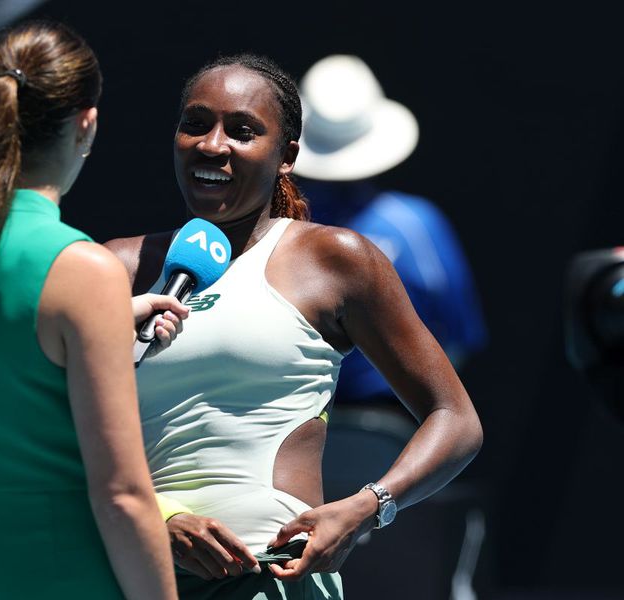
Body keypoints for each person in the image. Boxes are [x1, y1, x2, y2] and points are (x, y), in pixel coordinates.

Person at [105, 53, 483, 599]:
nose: (213, 144)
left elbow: (456, 418)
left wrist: (366, 507)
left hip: (274, 577)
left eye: (242, 131)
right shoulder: (112, 265)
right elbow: (44, 430)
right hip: (125, 576)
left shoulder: (336, 258)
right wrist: (159, 518)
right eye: (195, 124)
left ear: (287, 156)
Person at [0, 21, 181, 599]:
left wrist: (102, 323)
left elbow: (1, 355)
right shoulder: (85, 270)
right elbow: (122, 496)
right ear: (86, 125)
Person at [292, 54, 488, 410]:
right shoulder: (416, 224)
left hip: (300, 420)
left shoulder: (277, 226)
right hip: (396, 422)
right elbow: (460, 336)